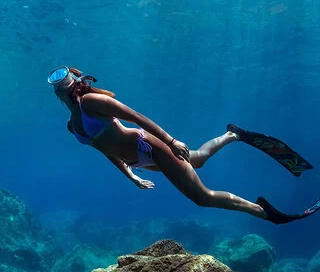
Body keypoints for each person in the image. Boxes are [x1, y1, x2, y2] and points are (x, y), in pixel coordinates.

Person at [48, 66, 319, 225]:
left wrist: (170, 141)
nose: (55, 84)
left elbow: (136, 117)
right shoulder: (72, 126)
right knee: (198, 158)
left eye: (59, 79)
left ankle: (265, 213)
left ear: (70, 85)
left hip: (150, 147)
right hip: (140, 162)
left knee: (202, 197)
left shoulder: (93, 103)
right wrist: (131, 176)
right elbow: (106, 151)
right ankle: (233, 135)